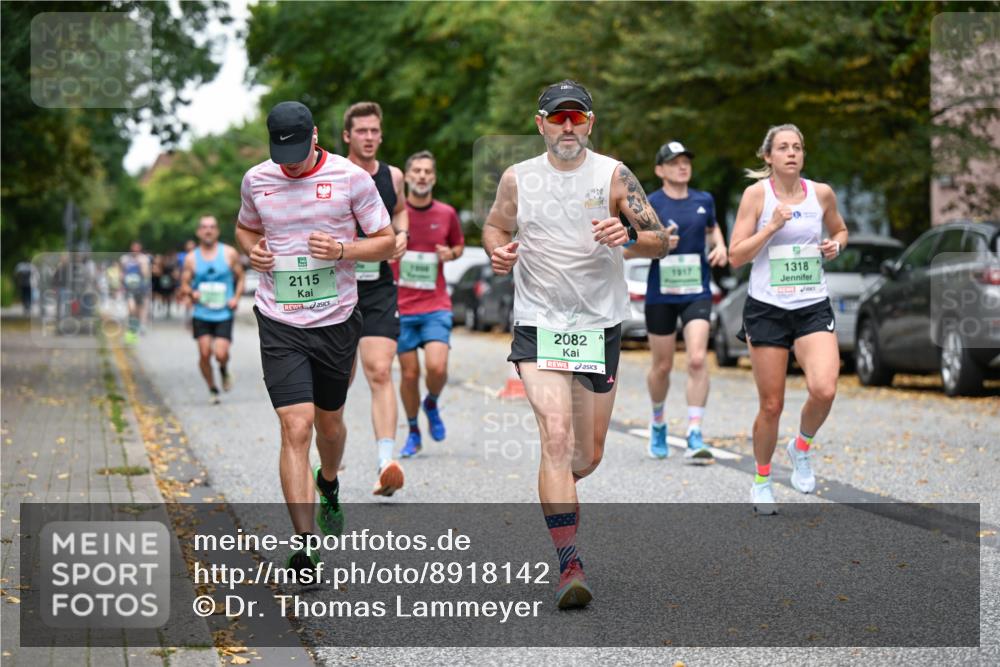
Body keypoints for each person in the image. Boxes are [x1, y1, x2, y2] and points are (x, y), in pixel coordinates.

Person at [483, 80, 675, 609]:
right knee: (556, 436)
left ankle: (558, 489)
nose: (567, 126)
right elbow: (495, 226)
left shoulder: (614, 175)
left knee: (585, 456)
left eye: (577, 117)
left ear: (590, 123)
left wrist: (628, 235)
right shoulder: (517, 178)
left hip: (597, 325)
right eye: (557, 117)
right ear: (540, 123)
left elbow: (661, 239)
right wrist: (499, 251)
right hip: (538, 322)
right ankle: (570, 565)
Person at [235, 101, 395, 573]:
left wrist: (343, 249)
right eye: (282, 154)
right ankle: (306, 545)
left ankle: (328, 481)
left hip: (336, 320)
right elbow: (244, 229)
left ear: (317, 136)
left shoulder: (351, 178)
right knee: (296, 426)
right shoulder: (256, 180)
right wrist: (253, 251)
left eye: (299, 153)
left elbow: (386, 241)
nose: (290, 163)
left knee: (329, 424)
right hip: (279, 319)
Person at [728, 124, 848, 515]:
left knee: (824, 388)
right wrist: (772, 227)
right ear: (769, 156)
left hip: (812, 305)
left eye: (797, 147)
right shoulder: (756, 196)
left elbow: (841, 230)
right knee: (772, 405)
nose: (792, 153)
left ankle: (801, 447)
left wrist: (835, 245)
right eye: (783, 147)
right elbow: (736, 255)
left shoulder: (821, 194)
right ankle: (762, 480)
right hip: (767, 308)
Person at [634, 141, 727, 462]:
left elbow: (713, 230)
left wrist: (720, 246)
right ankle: (658, 422)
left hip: (696, 291)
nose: (682, 166)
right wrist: (658, 244)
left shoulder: (704, 200)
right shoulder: (650, 203)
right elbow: (628, 248)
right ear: (660, 170)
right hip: (661, 293)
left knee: (698, 359)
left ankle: (694, 432)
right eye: (674, 162)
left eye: (686, 161)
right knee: (662, 366)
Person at [342, 101, 409, 496]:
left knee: (380, 370)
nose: (368, 137)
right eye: (361, 131)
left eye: (374, 131)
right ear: (347, 136)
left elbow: (399, 212)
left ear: (381, 135)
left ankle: (386, 462)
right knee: (339, 380)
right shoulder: (335, 174)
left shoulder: (393, 176)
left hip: (378, 287)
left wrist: (402, 236)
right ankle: (328, 454)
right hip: (336, 287)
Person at [392, 150, 464, 458]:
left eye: (427, 171)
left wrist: (451, 254)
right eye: (417, 171)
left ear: (434, 178)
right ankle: (413, 431)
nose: (422, 176)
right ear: (407, 177)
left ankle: (431, 402)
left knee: (437, 366)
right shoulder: (395, 214)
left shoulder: (446, 213)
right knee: (409, 375)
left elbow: (458, 245)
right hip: (402, 305)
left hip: (435, 304)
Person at [180, 216, 244, 404]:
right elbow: (184, 284)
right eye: (204, 227)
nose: (208, 230)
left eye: (212, 227)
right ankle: (212, 389)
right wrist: (191, 293)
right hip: (202, 313)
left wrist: (236, 298)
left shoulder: (229, 253)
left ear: (217, 231)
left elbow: (241, 277)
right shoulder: (191, 258)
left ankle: (223, 369)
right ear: (198, 232)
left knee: (221, 354)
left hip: (224, 313)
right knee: (205, 353)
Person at [120, 241, 151, 344]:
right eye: (134, 247)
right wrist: (121, 281)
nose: (135, 250)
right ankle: (131, 329)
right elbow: (122, 272)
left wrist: (142, 265)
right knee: (131, 308)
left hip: (140, 288)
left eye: (137, 248)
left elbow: (146, 274)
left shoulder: (144, 259)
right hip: (129, 288)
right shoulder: (125, 259)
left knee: (139, 309)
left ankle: (137, 327)